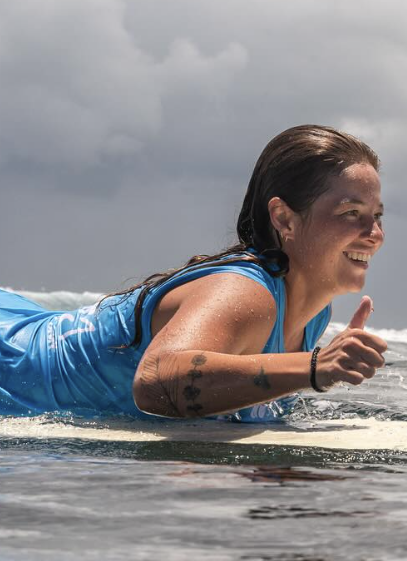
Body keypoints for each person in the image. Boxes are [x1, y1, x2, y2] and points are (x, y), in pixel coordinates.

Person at [0, 125, 387, 421]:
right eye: (350, 213)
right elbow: (155, 382)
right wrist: (314, 367)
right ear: (284, 218)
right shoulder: (245, 293)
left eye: (377, 216)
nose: (375, 235)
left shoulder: (312, 315)